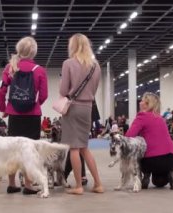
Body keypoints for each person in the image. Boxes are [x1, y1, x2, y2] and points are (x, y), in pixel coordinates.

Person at [0, 36, 48, 195]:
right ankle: (28, 184)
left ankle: (12, 184)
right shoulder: (40, 70)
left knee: (13, 150)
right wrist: (36, 103)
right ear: (34, 52)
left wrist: (4, 108)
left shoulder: (9, 68)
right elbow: (44, 95)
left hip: (14, 114)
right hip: (32, 115)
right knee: (30, 150)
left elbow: (1, 90)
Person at [59, 33, 103, 195]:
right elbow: (94, 89)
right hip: (88, 108)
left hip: (72, 108)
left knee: (74, 148)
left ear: (72, 46)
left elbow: (63, 91)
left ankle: (78, 185)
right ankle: (98, 183)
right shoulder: (96, 66)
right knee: (84, 147)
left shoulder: (68, 63)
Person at [125, 92, 173, 190]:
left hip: (150, 161)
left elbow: (128, 136)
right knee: (158, 182)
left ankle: (145, 175)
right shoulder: (161, 118)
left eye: (142, 101)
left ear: (147, 104)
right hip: (172, 159)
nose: (140, 103)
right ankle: (170, 174)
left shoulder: (142, 116)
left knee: (136, 151)